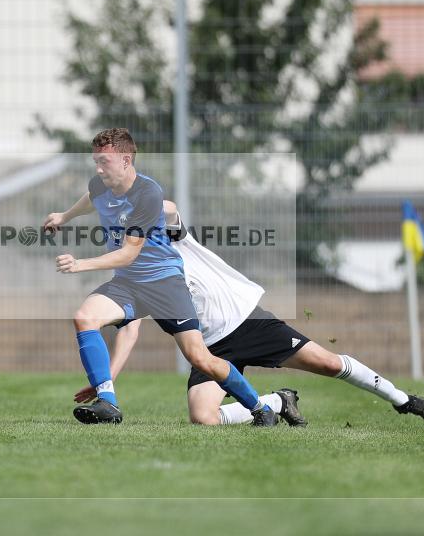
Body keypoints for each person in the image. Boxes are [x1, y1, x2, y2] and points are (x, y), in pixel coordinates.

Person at [74, 200, 424, 426]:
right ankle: (275, 402)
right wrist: (108, 380)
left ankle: (403, 400)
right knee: (202, 418)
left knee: (330, 364)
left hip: (248, 320)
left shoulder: (170, 236)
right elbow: (129, 329)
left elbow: (169, 208)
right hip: (209, 347)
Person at [44, 128, 281, 427]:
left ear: (126, 160)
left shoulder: (147, 193)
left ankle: (261, 408)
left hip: (164, 283)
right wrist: (64, 216)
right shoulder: (100, 183)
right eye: (96, 161)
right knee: (85, 318)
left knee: (199, 358)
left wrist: (81, 264)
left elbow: (128, 254)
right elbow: (91, 197)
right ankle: (108, 403)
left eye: (104, 161)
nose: (98, 167)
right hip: (129, 284)